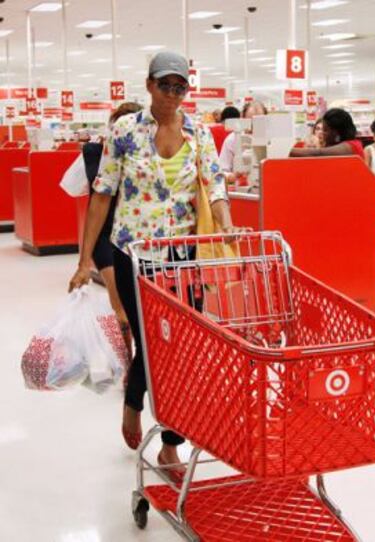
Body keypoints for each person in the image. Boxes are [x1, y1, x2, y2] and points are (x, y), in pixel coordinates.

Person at [68, 51, 237, 481]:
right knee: (152, 343)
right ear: (149, 86)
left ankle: (169, 445)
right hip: (134, 253)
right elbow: (102, 194)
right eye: (166, 85)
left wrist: (226, 222)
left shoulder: (199, 131)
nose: (174, 94)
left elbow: (214, 182)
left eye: (181, 87)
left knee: (181, 347)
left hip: (183, 255)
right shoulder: (125, 130)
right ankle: (133, 402)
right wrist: (85, 259)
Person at [81, 102, 142, 334]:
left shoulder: (147, 156)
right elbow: (97, 204)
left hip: (136, 238)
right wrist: (83, 261)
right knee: (122, 311)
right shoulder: (97, 155)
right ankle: (129, 363)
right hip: (107, 237)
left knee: (139, 311)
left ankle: (140, 361)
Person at [289, 108, 364, 158]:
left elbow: (318, 153)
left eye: (325, 130)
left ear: (336, 132)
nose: (322, 133)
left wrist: (286, 150)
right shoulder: (332, 144)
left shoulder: (352, 146)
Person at [220, 101, 268, 177]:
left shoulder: (271, 139)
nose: (254, 126)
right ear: (243, 118)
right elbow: (223, 169)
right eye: (251, 121)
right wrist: (231, 176)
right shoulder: (231, 139)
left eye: (259, 122)